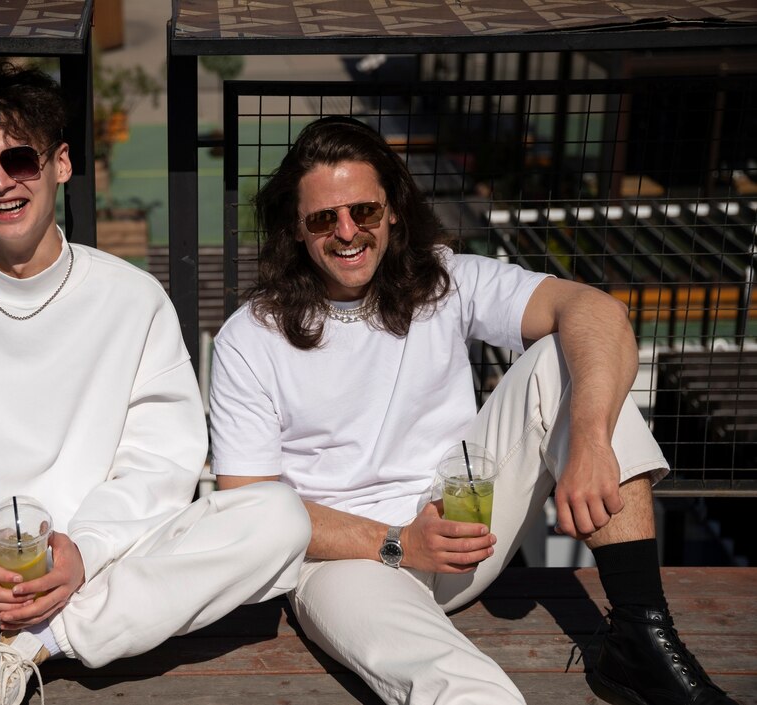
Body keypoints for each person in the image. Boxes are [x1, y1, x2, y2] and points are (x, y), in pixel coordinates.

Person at [0, 63, 310, 705]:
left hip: (97, 569)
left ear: (61, 164)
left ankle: (27, 650)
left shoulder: (132, 299)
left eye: (19, 159)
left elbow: (161, 462)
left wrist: (81, 549)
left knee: (277, 517)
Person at [209, 116, 738, 705]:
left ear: (394, 212)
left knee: (567, 359)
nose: (347, 231)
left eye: (365, 211)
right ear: (296, 230)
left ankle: (641, 633)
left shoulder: (445, 282)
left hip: (464, 531)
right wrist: (397, 541)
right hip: (346, 561)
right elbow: (249, 503)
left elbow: (595, 311)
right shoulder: (250, 338)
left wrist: (589, 439)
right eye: (322, 219)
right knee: (473, 692)